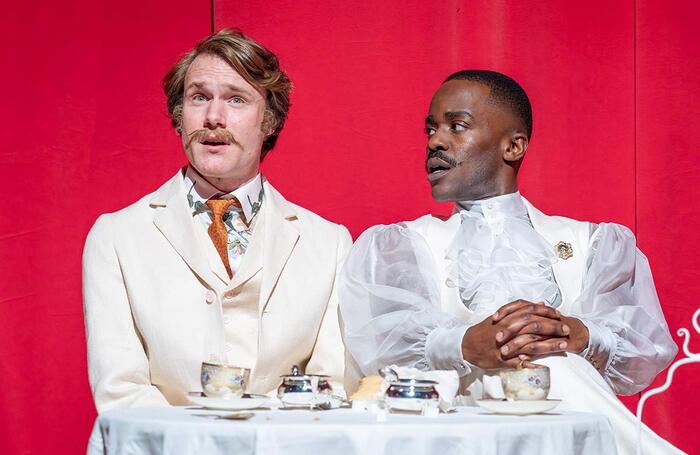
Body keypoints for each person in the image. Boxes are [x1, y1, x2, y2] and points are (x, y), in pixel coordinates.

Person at [339, 70, 680, 454]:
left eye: (457, 126)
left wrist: (578, 335)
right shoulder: (405, 245)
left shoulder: (590, 242)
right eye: (430, 129)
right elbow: (382, 350)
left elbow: (642, 347)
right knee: (553, 368)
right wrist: (465, 344)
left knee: (557, 366)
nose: (435, 140)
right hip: (460, 434)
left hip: (565, 439)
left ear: (513, 146)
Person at [83, 30, 351, 413]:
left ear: (269, 120)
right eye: (199, 97)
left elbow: (330, 386)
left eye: (236, 99)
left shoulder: (331, 244)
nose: (212, 117)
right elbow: (120, 391)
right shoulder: (116, 237)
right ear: (180, 115)